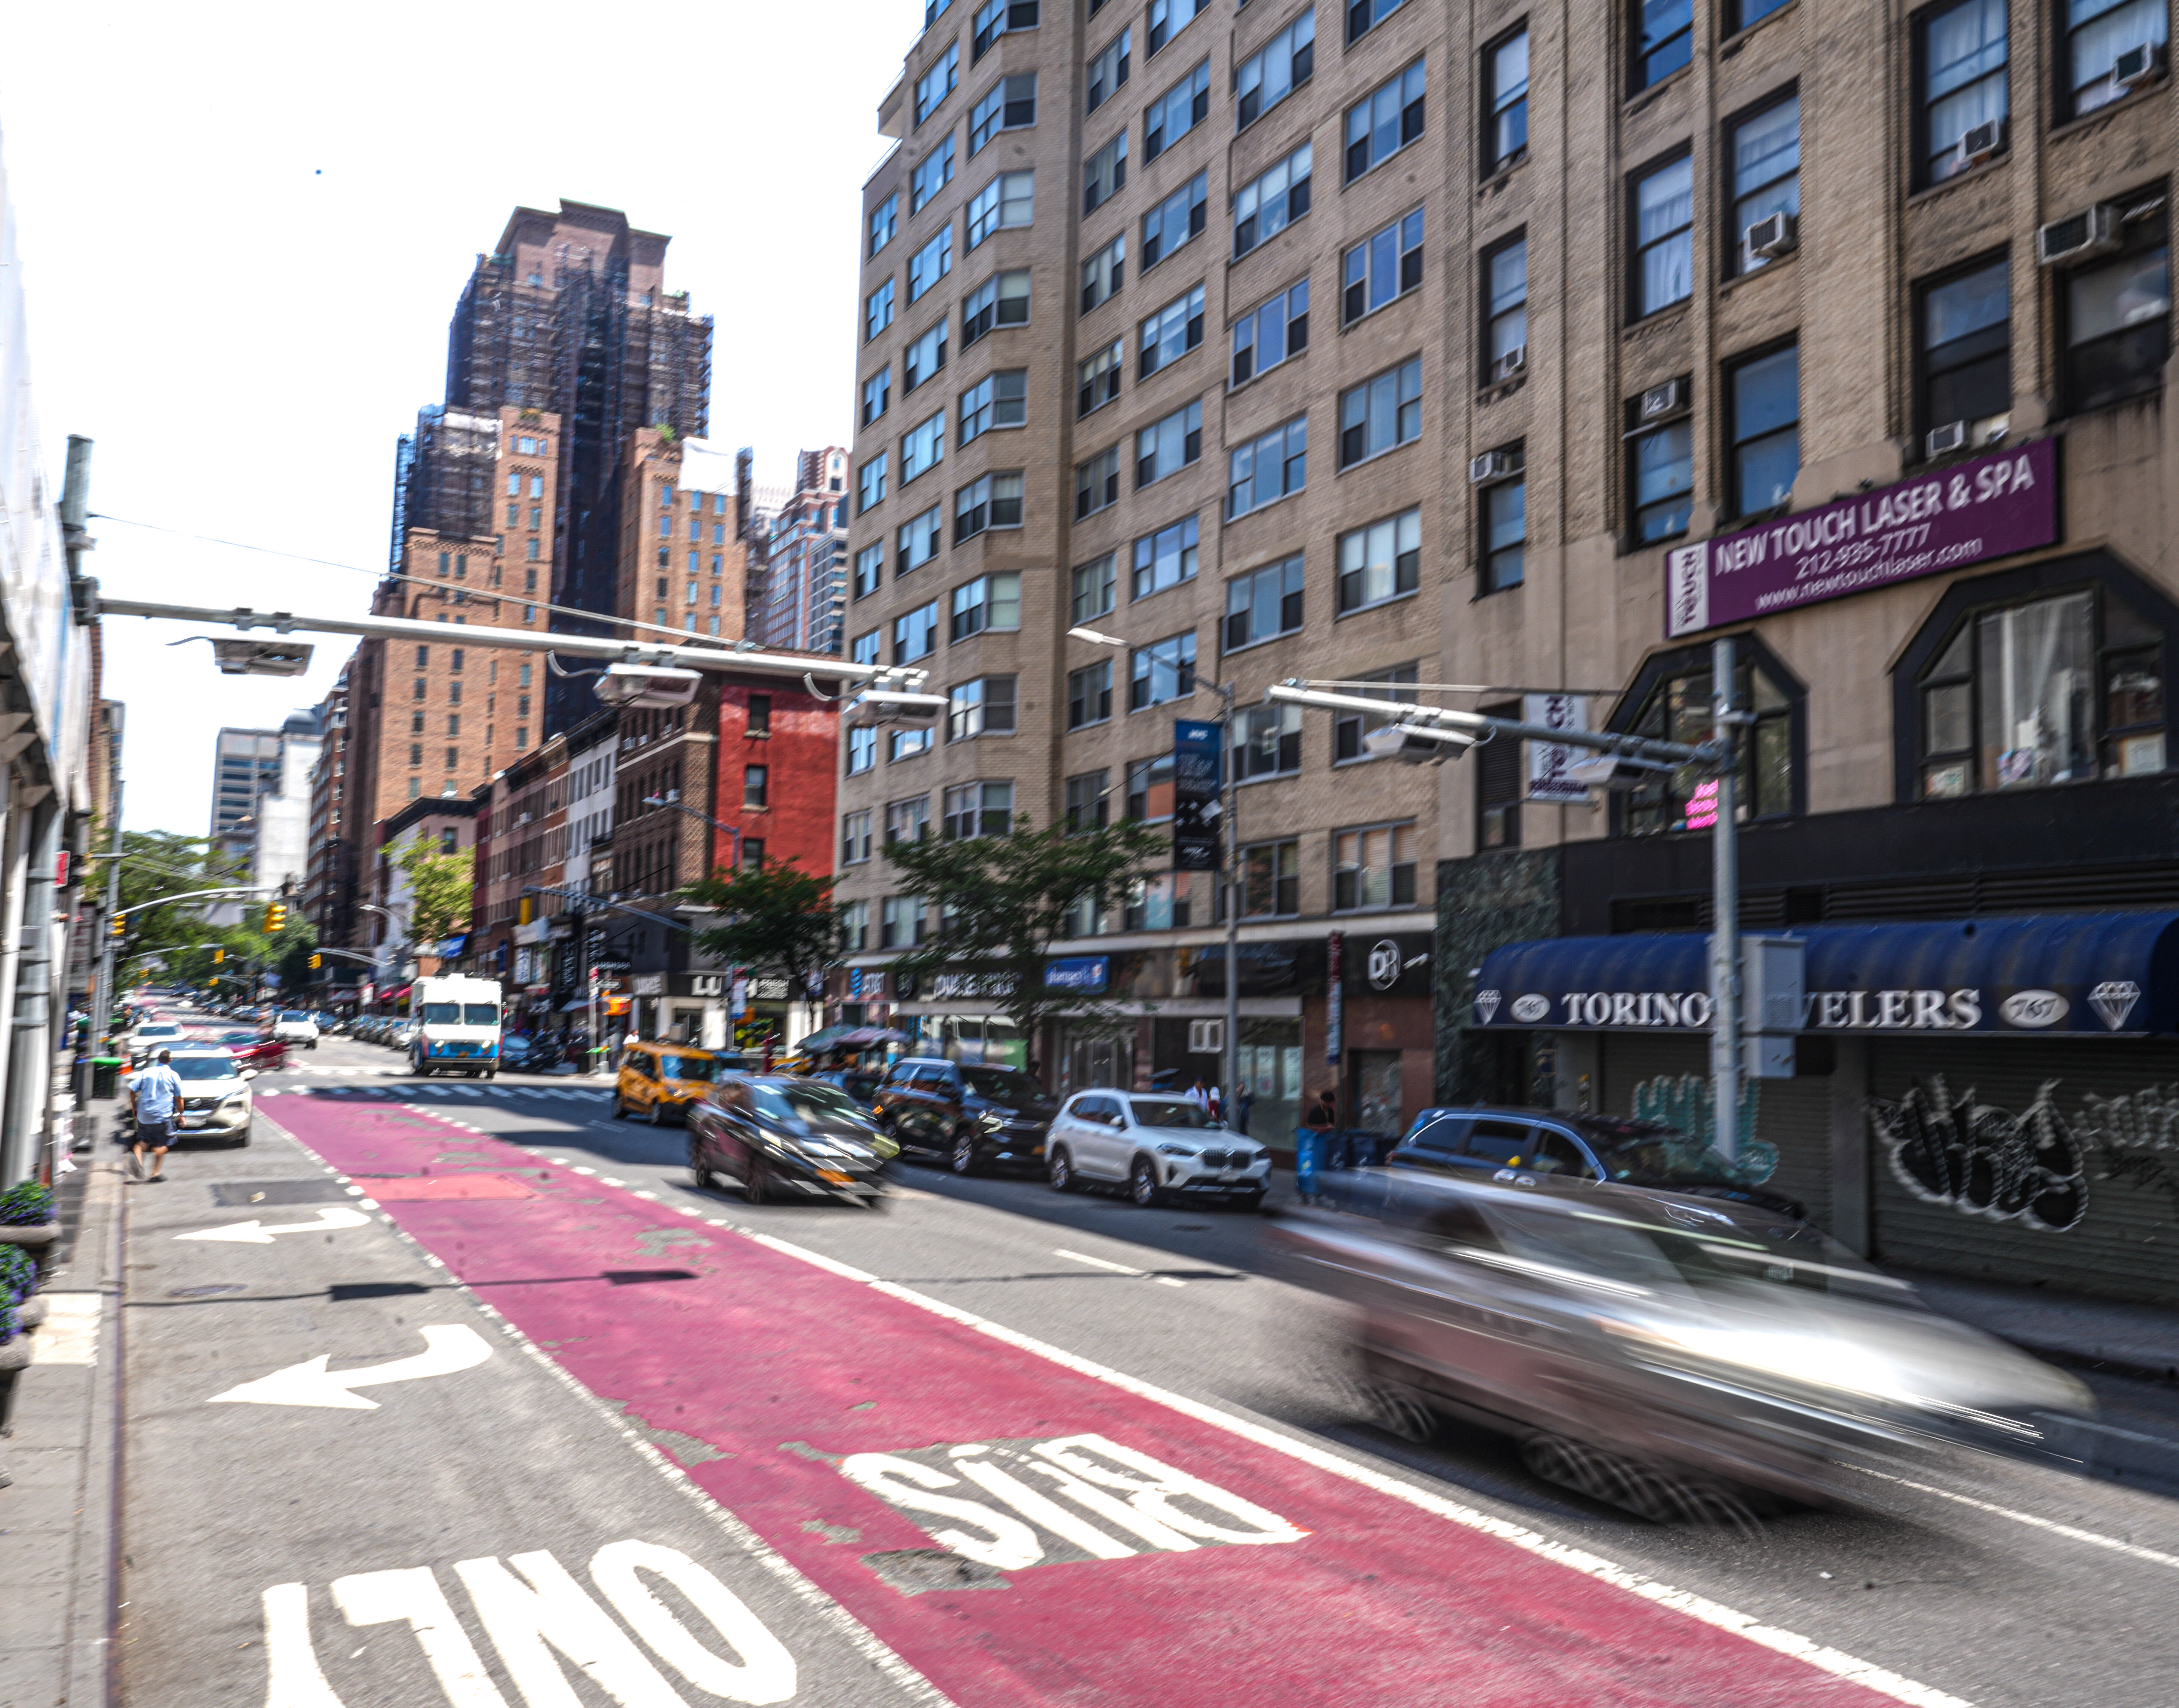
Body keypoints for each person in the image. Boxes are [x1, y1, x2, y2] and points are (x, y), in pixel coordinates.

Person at [130, 1049, 184, 1183]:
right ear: (170, 1061)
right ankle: (155, 1173)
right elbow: (179, 1098)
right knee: (163, 1145)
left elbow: (132, 1090)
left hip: (144, 1115)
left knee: (143, 1142)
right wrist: (182, 1114)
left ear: (158, 1060)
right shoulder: (173, 1075)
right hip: (162, 1116)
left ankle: (138, 1160)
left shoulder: (146, 1072)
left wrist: (134, 1108)